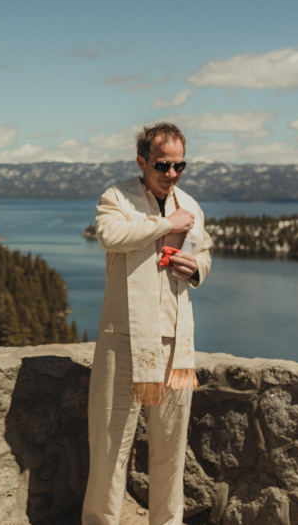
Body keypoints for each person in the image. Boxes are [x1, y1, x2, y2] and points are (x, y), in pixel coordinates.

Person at [82, 122, 212, 525]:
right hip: (123, 338)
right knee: (109, 445)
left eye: (178, 166)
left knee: (171, 449)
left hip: (176, 343)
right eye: (162, 165)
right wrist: (166, 226)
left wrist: (195, 267)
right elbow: (110, 235)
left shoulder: (189, 205)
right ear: (142, 161)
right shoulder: (116, 197)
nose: (171, 174)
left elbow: (204, 252)